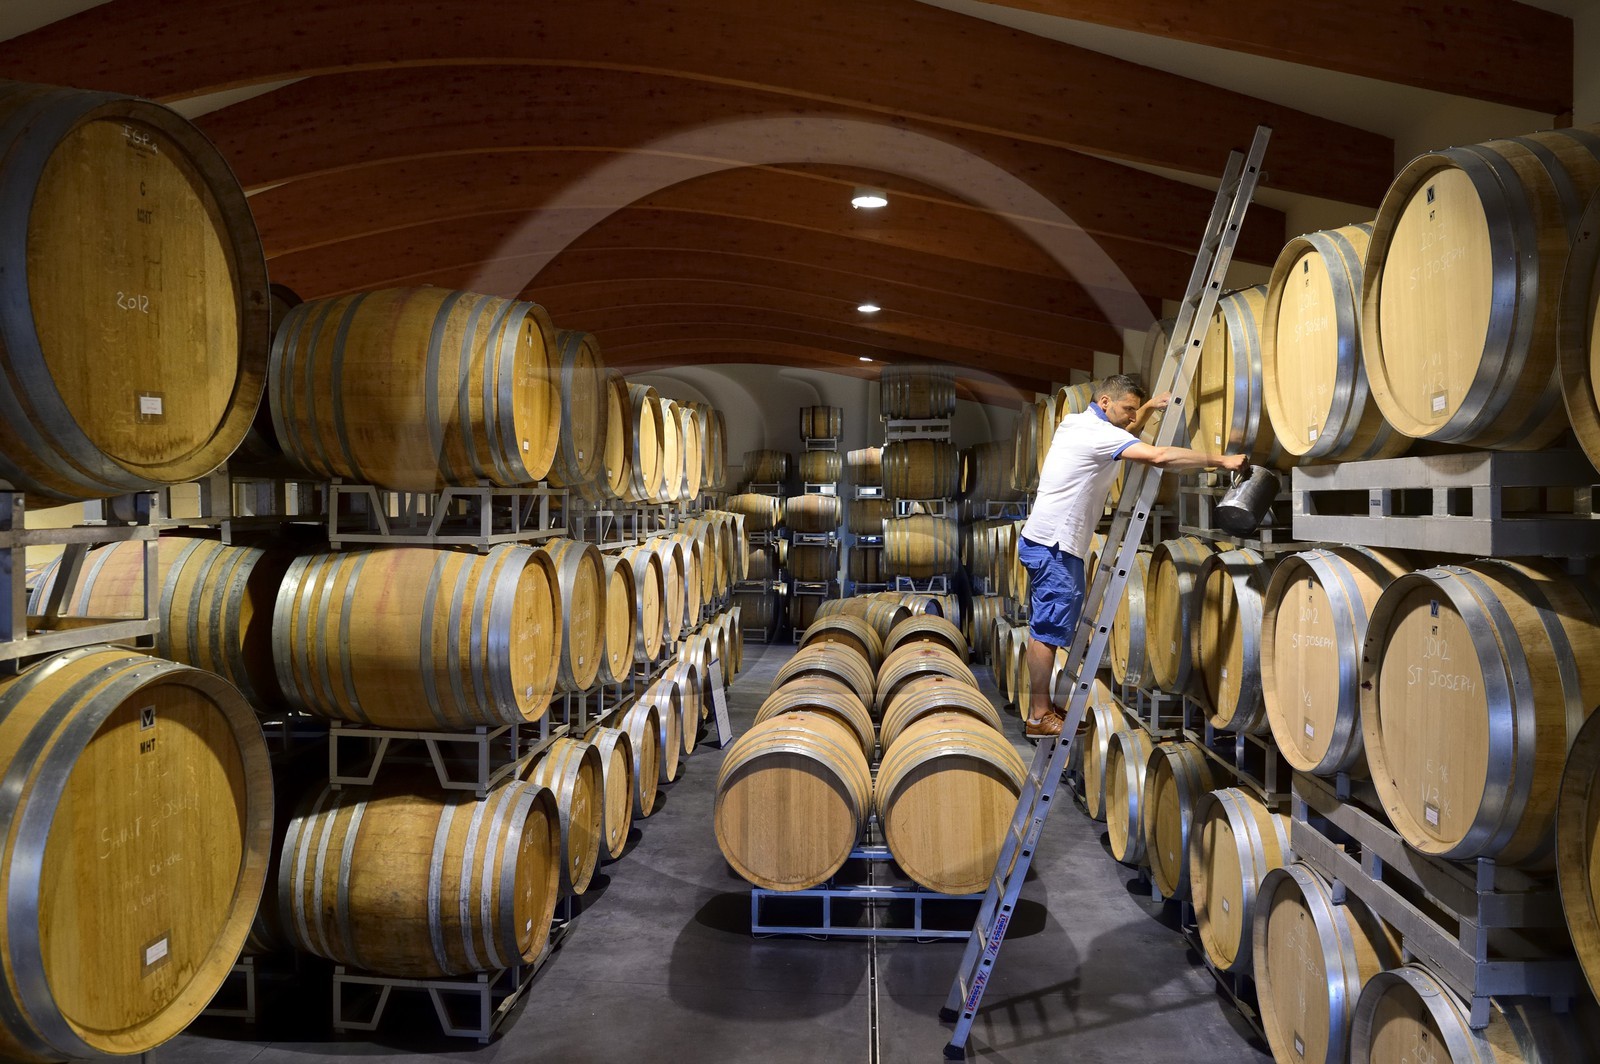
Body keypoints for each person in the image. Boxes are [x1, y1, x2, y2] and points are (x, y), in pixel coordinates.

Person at [1018, 374, 1245, 738]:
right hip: (1057, 546)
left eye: (1134, 412)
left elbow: (1122, 430)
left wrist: (1148, 408)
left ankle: (1042, 709)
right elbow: (1158, 456)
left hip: (1043, 540)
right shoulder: (1100, 435)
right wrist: (1220, 461)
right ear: (1106, 402)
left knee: (1046, 627)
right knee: (1046, 632)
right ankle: (1039, 714)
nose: (1131, 418)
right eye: (1127, 409)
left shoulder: (1076, 422)